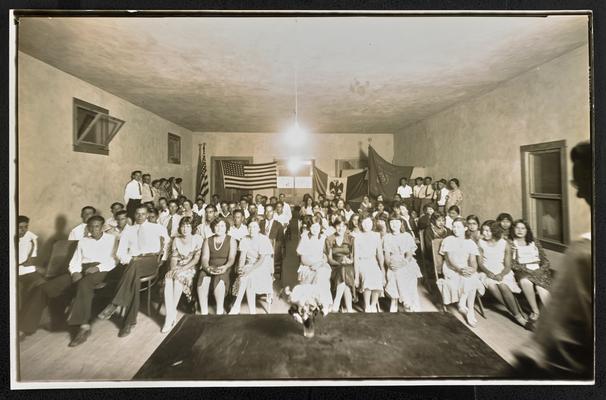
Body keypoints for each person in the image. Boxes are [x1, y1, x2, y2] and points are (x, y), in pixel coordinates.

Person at [512, 141, 592, 379]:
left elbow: (550, 353)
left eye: (582, 184)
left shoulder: (583, 254)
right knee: (529, 282)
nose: (577, 193)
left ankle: (537, 314)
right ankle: (536, 313)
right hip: (526, 273)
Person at [97, 205, 170, 337]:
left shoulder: (157, 228)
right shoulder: (128, 230)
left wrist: (162, 260)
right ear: (134, 215)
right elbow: (120, 253)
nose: (140, 216)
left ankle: (115, 303)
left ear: (147, 215)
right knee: (133, 278)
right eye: (138, 214)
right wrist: (130, 260)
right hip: (132, 263)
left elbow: (167, 244)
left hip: (150, 261)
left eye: (143, 214)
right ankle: (128, 323)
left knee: (133, 269)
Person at [66, 216, 120, 346]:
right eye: (91, 226)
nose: (93, 229)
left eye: (96, 226)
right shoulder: (83, 241)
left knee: (84, 284)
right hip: (83, 269)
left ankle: (84, 327)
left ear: (102, 227)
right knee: (54, 285)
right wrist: (75, 272)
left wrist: (97, 267)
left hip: (102, 269)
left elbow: (114, 260)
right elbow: (75, 260)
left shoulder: (112, 239)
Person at [477, 220, 526, 327]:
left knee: (503, 286)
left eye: (488, 231)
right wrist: (488, 272)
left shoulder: (504, 243)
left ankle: (516, 313)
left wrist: (501, 274)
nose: (484, 233)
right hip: (486, 271)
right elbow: (480, 264)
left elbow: (508, 265)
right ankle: (517, 315)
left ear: (494, 231)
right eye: (483, 230)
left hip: (502, 270)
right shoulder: (481, 243)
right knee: (492, 286)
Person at [439, 217, 485, 327]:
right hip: (451, 269)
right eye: (454, 226)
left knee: (471, 277)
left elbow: (473, 261)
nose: (455, 229)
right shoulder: (448, 240)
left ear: (465, 228)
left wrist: (473, 269)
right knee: (469, 278)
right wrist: (460, 270)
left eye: (458, 227)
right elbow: (449, 260)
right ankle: (466, 307)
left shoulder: (470, 243)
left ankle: (469, 310)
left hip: (464, 268)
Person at [162, 217, 202, 333]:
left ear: (192, 228)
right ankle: (171, 314)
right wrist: (173, 269)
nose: (185, 229)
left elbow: (196, 259)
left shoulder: (197, 239)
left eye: (188, 226)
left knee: (178, 279)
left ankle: (169, 316)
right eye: (183, 226)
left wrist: (181, 269)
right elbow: (174, 258)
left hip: (191, 268)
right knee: (169, 278)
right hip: (178, 266)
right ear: (179, 227)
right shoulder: (176, 240)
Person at [511, 219, 552, 329]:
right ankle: (536, 311)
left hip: (539, 271)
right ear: (513, 229)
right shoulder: (511, 243)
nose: (520, 230)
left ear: (527, 230)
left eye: (523, 228)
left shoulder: (534, 241)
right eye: (517, 228)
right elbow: (512, 264)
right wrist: (528, 271)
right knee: (525, 281)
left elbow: (546, 261)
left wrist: (541, 270)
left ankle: (553, 317)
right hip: (522, 271)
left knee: (540, 287)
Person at [229, 219, 274, 315]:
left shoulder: (264, 239)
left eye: (254, 227)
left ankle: (237, 306)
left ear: (258, 229)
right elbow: (242, 257)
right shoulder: (245, 239)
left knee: (249, 277)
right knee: (245, 277)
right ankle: (251, 311)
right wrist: (241, 268)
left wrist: (249, 270)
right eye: (249, 227)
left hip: (262, 266)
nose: (251, 229)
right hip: (249, 264)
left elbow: (261, 260)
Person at [197, 218, 237, 315]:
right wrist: (207, 268)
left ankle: (219, 311)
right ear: (213, 227)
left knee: (220, 278)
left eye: (222, 226)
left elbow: (232, 258)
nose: (219, 228)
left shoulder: (231, 240)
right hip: (210, 266)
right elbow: (205, 258)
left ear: (226, 227)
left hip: (225, 267)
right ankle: (204, 312)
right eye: (217, 226)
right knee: (203, 277)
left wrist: (225, 267)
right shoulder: (207, 240)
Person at [383, 216, 422, 312]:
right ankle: (397, 300)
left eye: (396, 222)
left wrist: (403, 262)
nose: (394, 225)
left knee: (406, 273)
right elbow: (386, 254)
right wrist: (389, 264)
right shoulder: (387, 237)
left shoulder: (406, 236)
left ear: (401, 223)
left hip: (406, 261)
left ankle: (407, 300)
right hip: (393, 260)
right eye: (391, 223)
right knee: (395, 273)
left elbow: (409, 253)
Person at [296, 220, 333, 311]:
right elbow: (303, 259)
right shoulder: (305, 237)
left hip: (320, 264)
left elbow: (325, 256)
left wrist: (319, 264)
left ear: (321, 227)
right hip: (307, 266)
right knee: (320, 274)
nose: (315, 229)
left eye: (317, 227)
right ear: (309, 228)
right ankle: (321, 303)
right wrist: (315, 264)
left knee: (322, 272)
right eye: (313, 227)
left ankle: (321, 302)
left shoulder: (323, 238)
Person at [354, 215, 385, 313]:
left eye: (369, 223)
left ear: (373, 223)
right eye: (364, 223)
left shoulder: (376, 235)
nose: (367, 225)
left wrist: (382, 269)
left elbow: (380, 254)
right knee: (367, 276)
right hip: (362, 262)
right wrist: (356, 276)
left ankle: (373, 304)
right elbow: (356, 257)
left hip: (373, 261)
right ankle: (367, 305)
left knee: (377, 275)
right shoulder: (357, 237)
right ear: (361, 224)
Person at [325, 217, 356, 313]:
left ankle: (337, 303)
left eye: (343, 226)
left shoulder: (351, 238)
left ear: (346, 227)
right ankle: (349, 308)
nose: (341, 228)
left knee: (345, 270)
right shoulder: (330, 239)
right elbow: (329, 259)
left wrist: (349, 261)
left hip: (348, 265)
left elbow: (353, 257)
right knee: (344, 271)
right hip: (335, 266)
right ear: (335, 226)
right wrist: (339, 263)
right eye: (338, 225)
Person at [422, 212, 451, 282]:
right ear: (433, 221)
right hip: (433, 254)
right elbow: (429, 246)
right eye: (439, 220)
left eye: (443, 220)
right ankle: (440, 274)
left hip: (446, 253)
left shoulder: (448, 230)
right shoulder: (429, 231)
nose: (441, 223)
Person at [260, 204, 285, 279]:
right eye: (266, 211)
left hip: (273, 251)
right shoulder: (261, 223)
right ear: (264, 212)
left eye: (270, 211)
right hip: (261, 250)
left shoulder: (278, 225)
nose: (268, 213)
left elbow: (280, 241)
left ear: (273, 212)